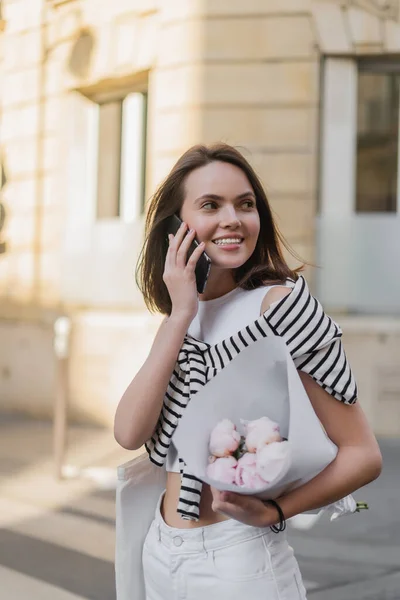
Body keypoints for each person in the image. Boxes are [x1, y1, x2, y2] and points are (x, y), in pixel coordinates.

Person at [114, 143, 382, 600]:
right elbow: (128, 431)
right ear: (177, 227)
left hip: (237, 559)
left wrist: (276, 510)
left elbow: (362, 453)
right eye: (210, 205)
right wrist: (179, 316)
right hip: (158, 548)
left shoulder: (281, 305)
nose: (233, 219)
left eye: (246, 204)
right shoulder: (182, 314)